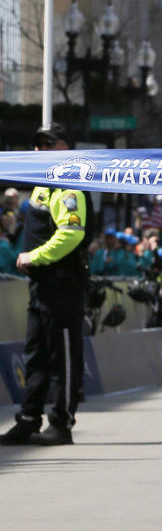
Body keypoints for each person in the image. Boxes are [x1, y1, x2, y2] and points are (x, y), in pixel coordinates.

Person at [1, 124, 89, 446]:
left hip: (63, 286)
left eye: (49, 143)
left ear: (66, 148)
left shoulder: (69, 187)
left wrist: (33, 257)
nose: (41, 150)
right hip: (41, 287)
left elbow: (72, 233)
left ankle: (61, 424)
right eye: (37, 144)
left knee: (62, 358)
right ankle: (28, 420)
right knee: (36, 354)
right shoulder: (41, 186)